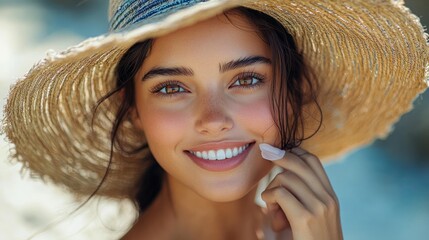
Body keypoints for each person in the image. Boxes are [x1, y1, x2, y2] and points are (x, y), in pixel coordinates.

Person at [3, 1, 428, 239]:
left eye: (245, 79)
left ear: (297, 91)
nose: (212, 120)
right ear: (132, 110)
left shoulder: (283, 230)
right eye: (171, 88)